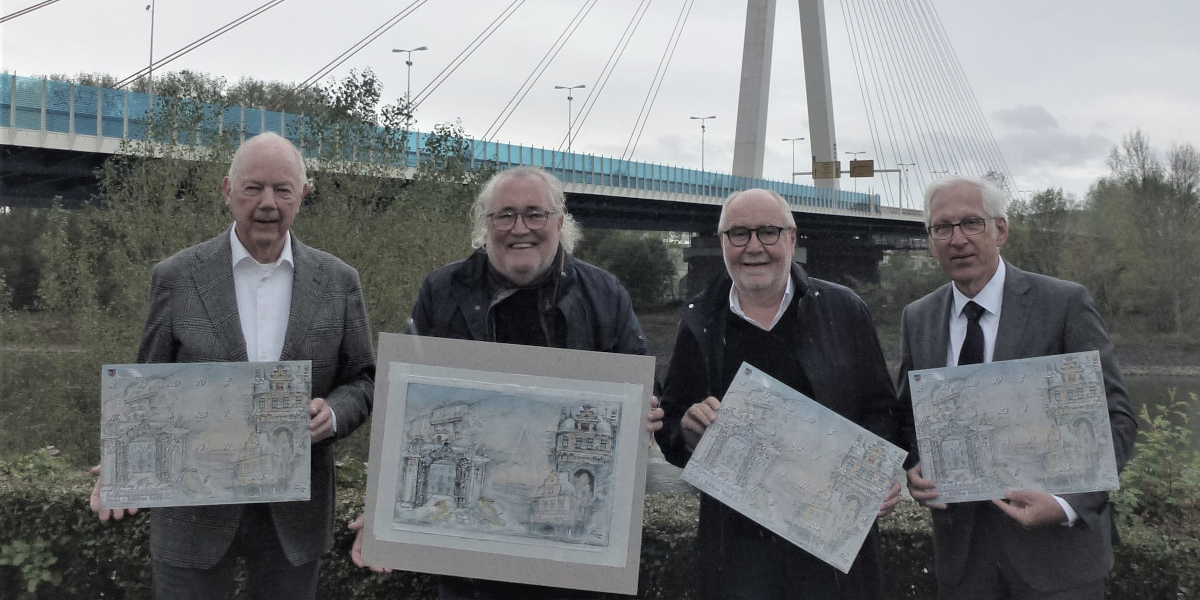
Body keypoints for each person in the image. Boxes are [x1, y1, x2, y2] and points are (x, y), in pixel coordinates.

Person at [350, 165, 663, 600]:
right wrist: (383, 506)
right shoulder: (442, 291)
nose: (521, 228)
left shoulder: (605, 295)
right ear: (486, 225)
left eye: (535, 214)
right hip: (470, 571)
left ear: (559, 221)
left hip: (573, 575)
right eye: (505, 215)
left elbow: (643, 389)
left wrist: (645, 413)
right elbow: (401, 410)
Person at [89, 132, 376, 600]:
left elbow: (363, 379)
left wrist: (335, 414)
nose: (267, 203)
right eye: (252, 188)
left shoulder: (340, 282)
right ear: (227, 191)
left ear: (303, 195)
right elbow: (146, 382)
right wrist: (123, 464)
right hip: (191, 508)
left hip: (293, 510)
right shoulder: (177, 276)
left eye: (283, 190)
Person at [655, 188, 904, 600]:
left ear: (791, 238)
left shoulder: (845, 311)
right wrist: (687, 431)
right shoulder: (699, 323)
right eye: (739, 234)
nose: (754, 247)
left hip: (833, 547)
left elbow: (881, 410)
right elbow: (673, 421)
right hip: (737, 550)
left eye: (768, 232)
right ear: (722, 244)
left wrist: (876, 473)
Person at [897, 176, 1137, 599]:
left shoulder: (1063, 304)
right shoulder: (918, 317)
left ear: (1000, 229)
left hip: (1057, 564)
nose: (957, 239)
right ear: (931, 240)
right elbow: (909, 419)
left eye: (971, 223)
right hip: (963, 567)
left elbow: (1115, 419)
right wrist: (915, 468)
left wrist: (1066, 503)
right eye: (942, 227)